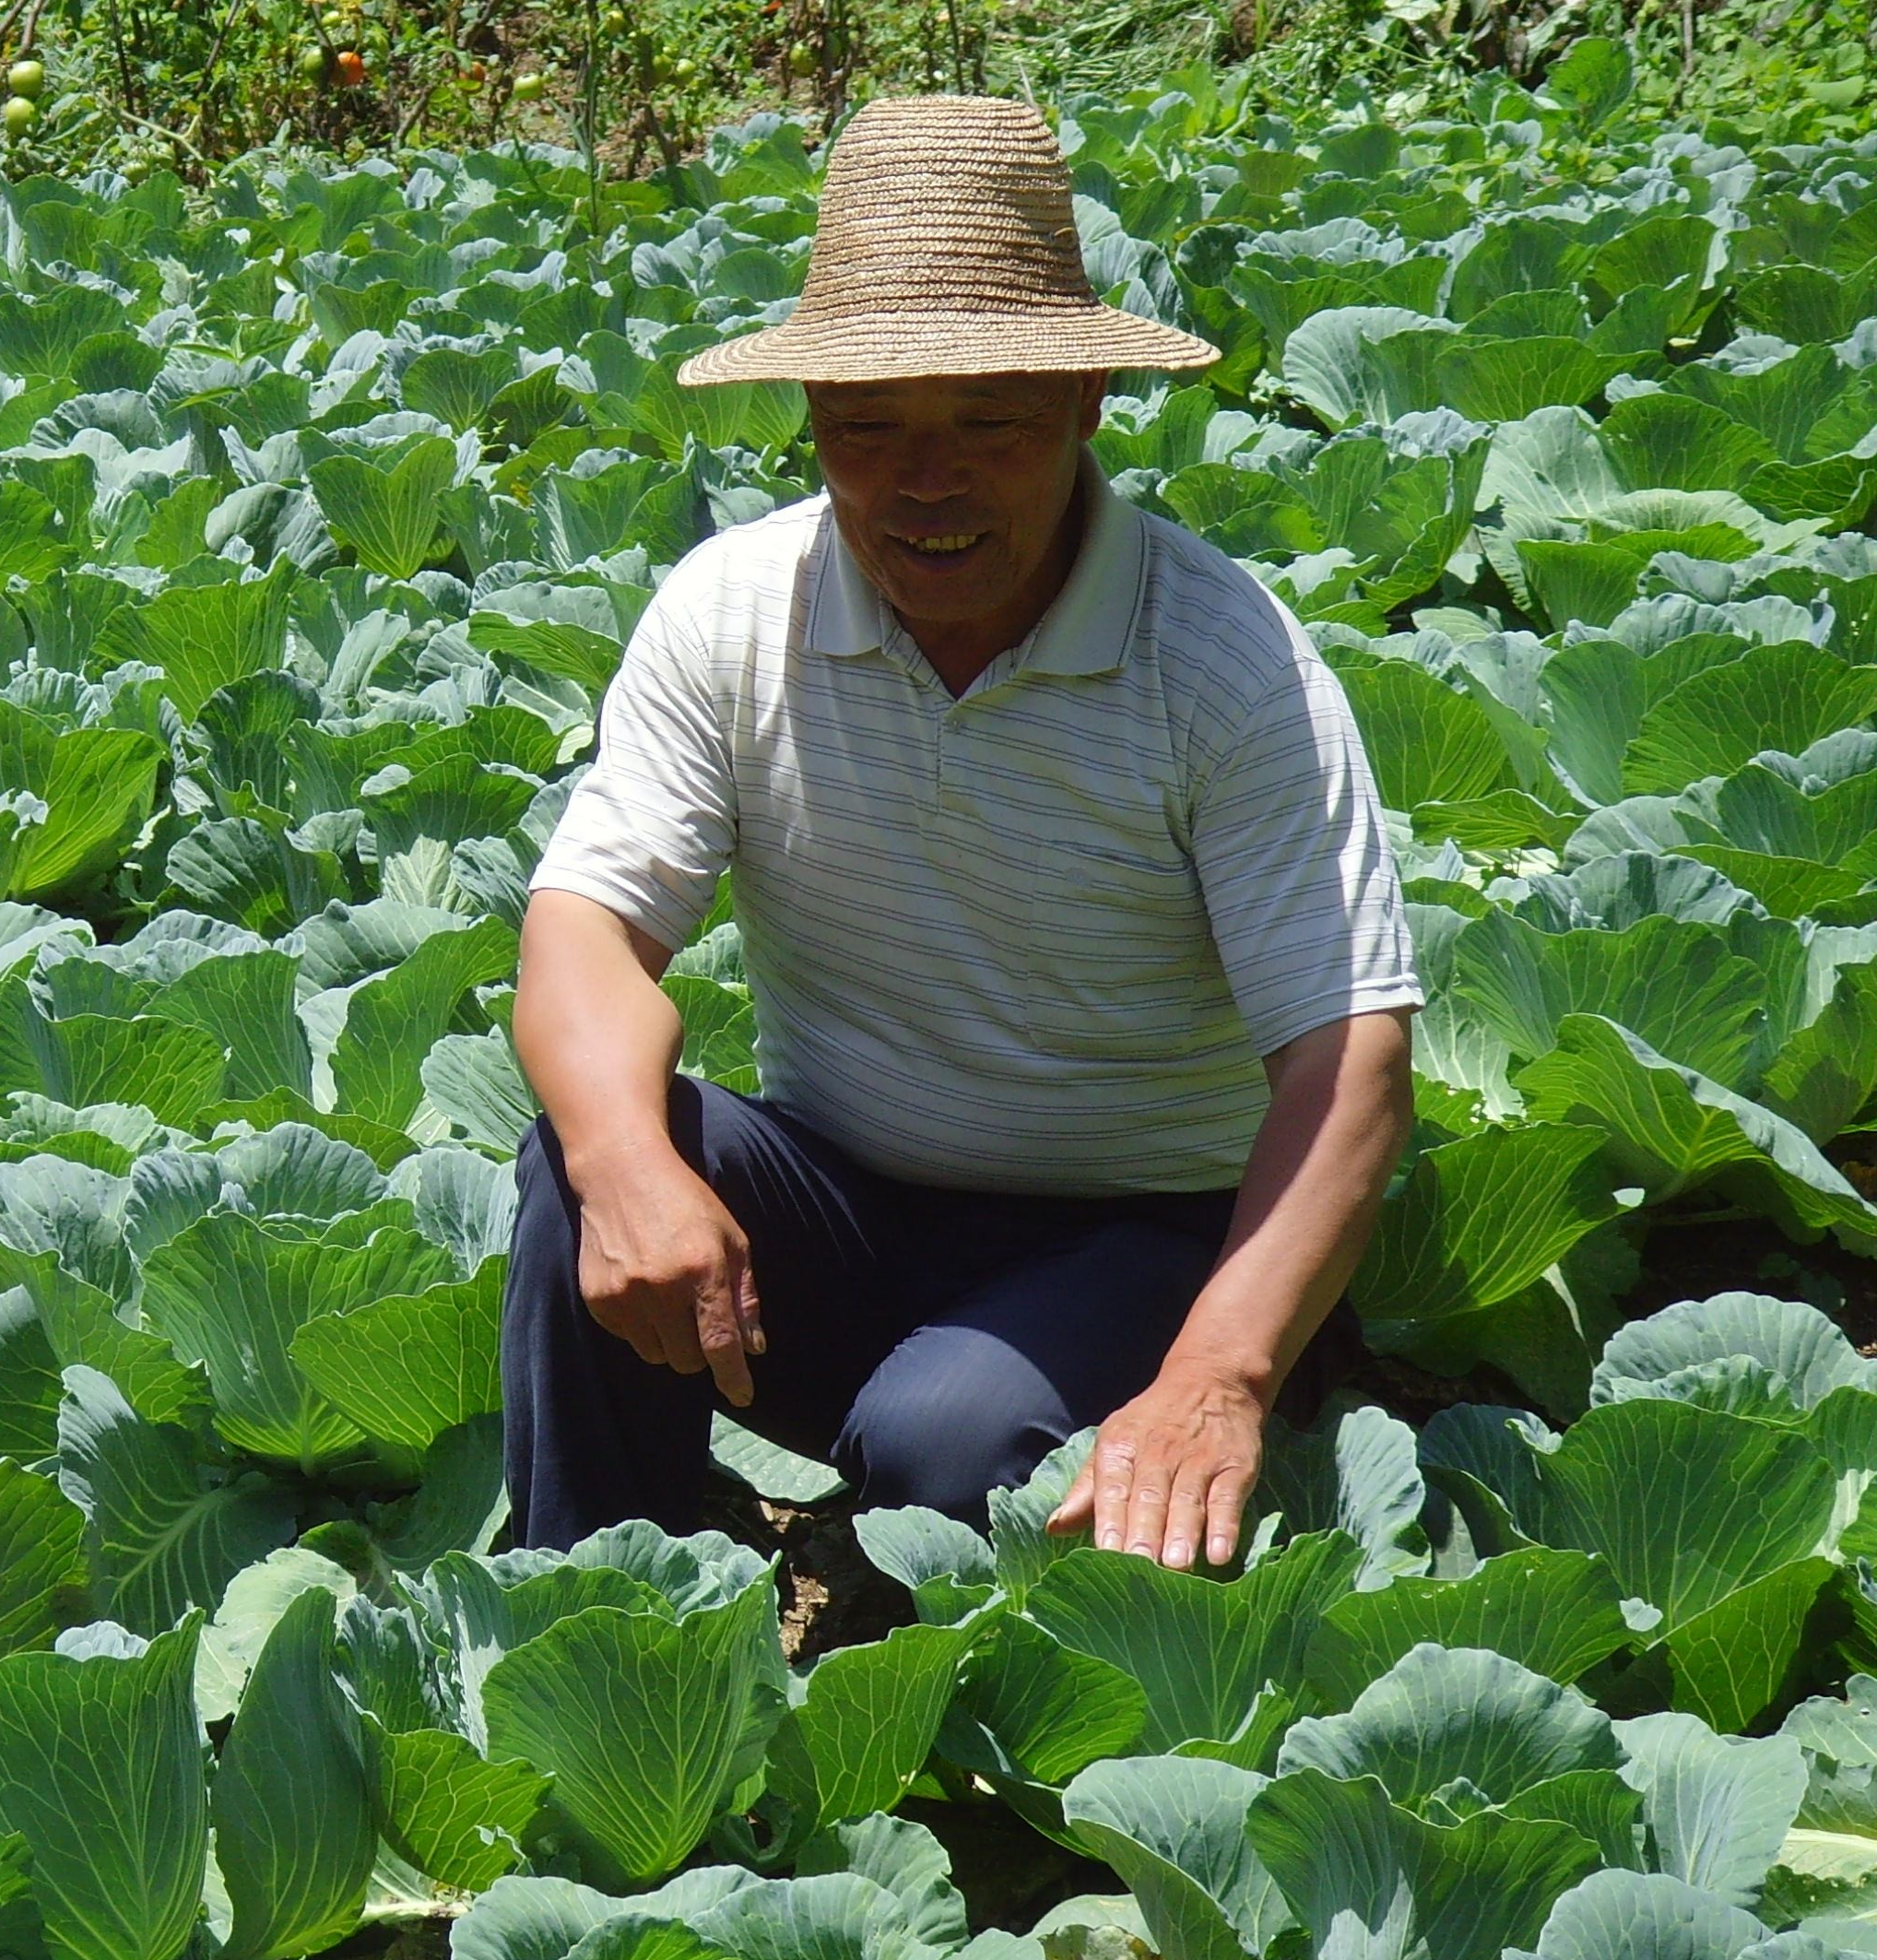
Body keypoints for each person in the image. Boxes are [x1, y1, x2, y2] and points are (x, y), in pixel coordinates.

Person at [501, 95, 1423, 1576]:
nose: (924, 482)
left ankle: (929, 1606)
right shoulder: (733, 610)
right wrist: (626, 1163)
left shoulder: (1222, 659)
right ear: (811, 426)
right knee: (582, 1167)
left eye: (986, 422)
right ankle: (605, 1614)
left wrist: (1221, 1373)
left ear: (1084, 407)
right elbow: (584, 931)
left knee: (949, 1440)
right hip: (847, 1204)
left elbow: (1351, 1060)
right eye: (868, 430)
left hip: (1148, 1240)